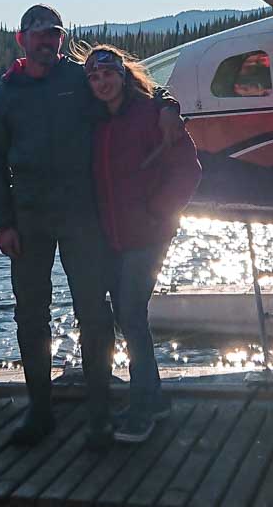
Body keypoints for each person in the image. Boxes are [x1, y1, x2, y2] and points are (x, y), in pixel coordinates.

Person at [0, 5, 182, 451]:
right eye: (36, 35)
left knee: (94, 313)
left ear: (60, 38)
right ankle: (40, 410)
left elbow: (132, 90)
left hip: (82, 216)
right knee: (31, 315)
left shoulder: (80, 78)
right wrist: (3, 223)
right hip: (29, 218)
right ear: (22, 40)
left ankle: (99, 410)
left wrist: (168, 104)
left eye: (53, 34)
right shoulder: (4, 95)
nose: (45, 42)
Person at [83, 45, 201, 443]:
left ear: (123, 74)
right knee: (130, 317)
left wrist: (159, 211)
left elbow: (188, 169)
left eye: (108, 74)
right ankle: (156, 398)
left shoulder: (153, 114)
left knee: (131, 315)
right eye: (94, 78)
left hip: (148, 235)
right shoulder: (97, 123)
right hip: (115, 236)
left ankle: (144, 408)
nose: (102, 83)